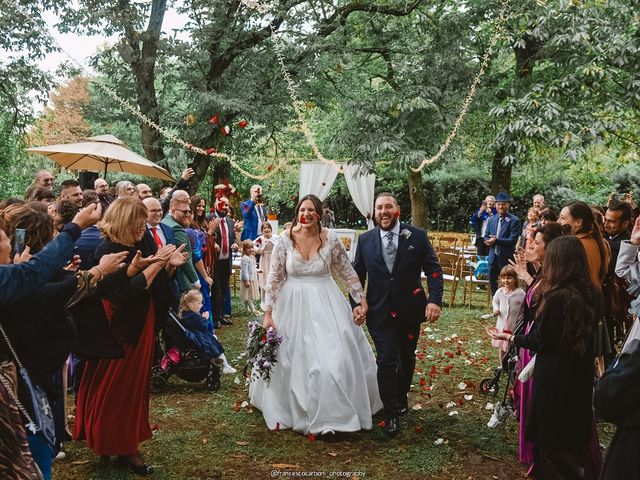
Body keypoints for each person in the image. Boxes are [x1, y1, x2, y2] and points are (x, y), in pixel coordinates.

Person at [250, 194, 383, 436]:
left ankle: (333, 416)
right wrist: (268, 313)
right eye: (303, 210)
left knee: (333, 359)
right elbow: (275, 277)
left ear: (319, 213)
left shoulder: (330, 239)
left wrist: (360, 298)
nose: (306, 214)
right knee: (297, 361)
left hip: (326, 302)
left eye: (311, 210)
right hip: (292, 306)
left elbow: (346, 270)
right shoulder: (285, 239)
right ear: (297, 213)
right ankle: (301, 410)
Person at [73, 197, 182, 475]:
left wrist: (169, 266)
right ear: (122, 221)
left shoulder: (143, 241)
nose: (142, 229)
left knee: (133, 385)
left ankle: (124, 441)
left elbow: (154, 284)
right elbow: (122, 291)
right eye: (137, 224)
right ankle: (115, 441)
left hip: (142, 319)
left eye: (143, 224)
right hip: (117, 325)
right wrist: (157, 264)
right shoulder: (106, 248)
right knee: (113, 383)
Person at [488, 236, 600, 479]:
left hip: (554, 377)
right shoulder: (591, 293)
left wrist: (510, 338)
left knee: (552, 442)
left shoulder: (557, 298)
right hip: (580, 375)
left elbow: (540, 340)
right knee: (570, 439)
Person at [352, 192, 443, 436]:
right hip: (378, 311)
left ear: (397, 210)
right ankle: (390, 413)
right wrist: (355, 304)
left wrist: (434, 301)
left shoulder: (418, 237)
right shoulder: (365, 240)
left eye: (388, 206)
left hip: (410, 310)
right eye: (379, 207)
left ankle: (400, 398)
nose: (383, 211)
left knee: (406, 357)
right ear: (375, 211)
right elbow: (356, 276)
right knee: (387, 358)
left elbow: (433, 271)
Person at [507, 222, 564, 472]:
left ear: (550, 248)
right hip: (531, 336)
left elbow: (537, 301)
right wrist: (528, 273)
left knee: (534, 396)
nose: (531, 245)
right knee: (529, 395)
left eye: (536, 242)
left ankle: (536, 456)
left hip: (536, 339)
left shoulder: (555, 279)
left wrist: (527, 275)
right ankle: (532, 453)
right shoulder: (546, 273)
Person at [178, 290, 236, 374]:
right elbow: (204, 327)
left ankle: (222, 364)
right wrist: (205, 318)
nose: (201, 305)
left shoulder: (186, 314)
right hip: (199, 338)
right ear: (190, 304)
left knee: (213, 340)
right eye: (199, 303)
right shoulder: (193, 316)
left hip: (196, 335)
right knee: (216, 346)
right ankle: (226, 367)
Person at [161, 194, 201, 295]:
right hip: (182, 282)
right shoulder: (176, 228)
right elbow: (185, 258)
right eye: (184, 211)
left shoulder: (164, 221)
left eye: (189, 211)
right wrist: (196, 281)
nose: (188, 214)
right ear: (174, 210)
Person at [484, 192, 521, 294]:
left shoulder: (514, 220)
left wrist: (496, 240)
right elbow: (486, 236)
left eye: (503, 204)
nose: (501, 206)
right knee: (493, 287)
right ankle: (495, 308)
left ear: (508, 205)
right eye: (499, 204)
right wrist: (487, 240)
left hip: (506, 258)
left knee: (507, 287)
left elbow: (512, 240)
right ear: (495, 205)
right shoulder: (491, 219)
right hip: (492, 258)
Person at [491, 266, 525, 365]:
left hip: (514, 324)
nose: (506, 280)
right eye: (503, 278)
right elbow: (495, 301)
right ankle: (502, 365)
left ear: (515, 279)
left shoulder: (520, 294)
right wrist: (496, 309)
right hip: (502, 324)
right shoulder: (500, 292)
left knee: (512, 345)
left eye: (509, 278)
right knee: (502, 345)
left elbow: (524, 308)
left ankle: (513, 363)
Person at [211, 195, 236, 328]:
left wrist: (235, 243)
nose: (224, 207)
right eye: (221, 204)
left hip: (226, 260)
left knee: (224, 289)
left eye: (226, 205)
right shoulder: (210, 219)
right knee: (216, 289)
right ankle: (215, 318)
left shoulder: (230, 221)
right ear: (215, 204)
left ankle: (221, 315)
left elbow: (232, 237)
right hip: (215, 261)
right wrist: (213, 243)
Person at [256, 222, 277, 302]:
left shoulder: (275, 237)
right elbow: (252, 244)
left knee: (272, 274)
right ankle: (264, 298)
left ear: (271, 229)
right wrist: (258, 250)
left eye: (268, 228)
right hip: (264, 259)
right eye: (264, 228)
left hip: (273, 258)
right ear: (262, 231)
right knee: (264, 275)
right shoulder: (260, 239)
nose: (266, 229)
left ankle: (273, 296)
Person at [239, 239, 259, 314]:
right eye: (248, 248)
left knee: (247, 295)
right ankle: (253, 309)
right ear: (244, 249)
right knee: (248, 295)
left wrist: (258, 270)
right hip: (247, 279)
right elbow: (245, 271)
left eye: (251, 247)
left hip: (251, 278)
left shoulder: (250, 257)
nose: (250, 250)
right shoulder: (245, 258)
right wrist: (246, 280)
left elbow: (252, 268)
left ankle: (247, 309)